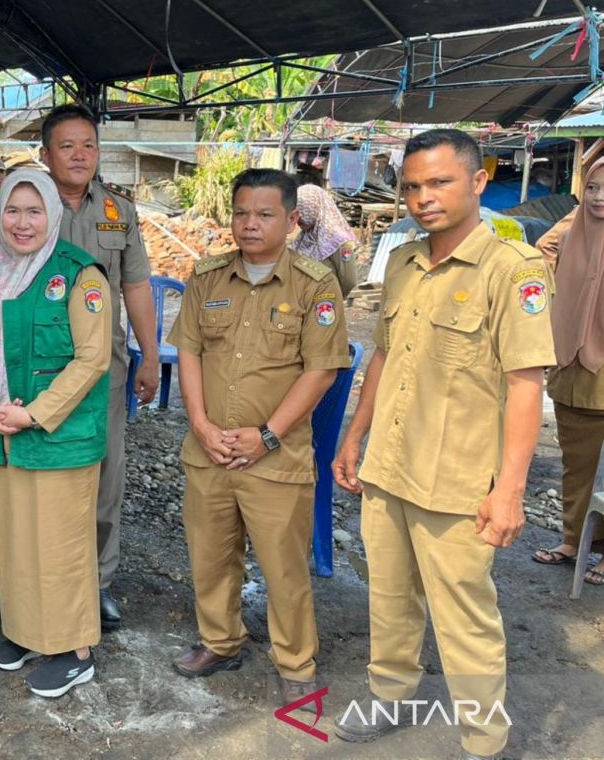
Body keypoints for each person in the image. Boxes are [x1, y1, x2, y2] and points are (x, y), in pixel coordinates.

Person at [332, 129, 554, 760]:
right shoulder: (401, 261)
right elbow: (382, 356)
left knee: (464, 618)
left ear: (479, 181)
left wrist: (509, 492)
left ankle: (484, 739)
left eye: (439, 182)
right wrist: (355, 438)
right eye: (411, 186)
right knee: (390, 597)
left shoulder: (513, 271)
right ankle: (389, 694)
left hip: (457, 481)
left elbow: (525, 386)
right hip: (390, 467)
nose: (422, 198)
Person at [166, 169, 349, 705]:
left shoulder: (315, 284)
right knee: (210, 553)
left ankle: (295, 659)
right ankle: (221, 641)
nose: (250, 224)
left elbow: (321, 371)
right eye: (241, 212)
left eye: (264, 214)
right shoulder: (206, 277)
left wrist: (268, 436)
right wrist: (199, 425)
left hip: (276, 457)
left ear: (291, 221)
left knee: (282, 564)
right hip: (210, 450)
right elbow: (191, 352)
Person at [0, 169, 111, 697]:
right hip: (4, 431)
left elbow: (92, 359)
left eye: (34, 211)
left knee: (62, 544)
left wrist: (35, 413)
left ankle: (75, 649)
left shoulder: (78, 275)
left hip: (59, 436)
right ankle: (28, 632)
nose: (22, 223)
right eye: (12, 211)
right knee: (19, 541)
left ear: (53, 215)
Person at [40, 103, 159, 630]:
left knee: (106, 472)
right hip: (40, 368)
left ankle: (98, 581)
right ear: (45, 155)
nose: (80, 155)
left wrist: (149, 355)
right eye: (67, 146)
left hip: (104, 370)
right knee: (43, 472)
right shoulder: (28, 206)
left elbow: (134, 286)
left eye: (88, 145)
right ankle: (45, 582)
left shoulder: (118, 211)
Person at [534, 158, 604, 584]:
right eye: (593, 188)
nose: (599, 198)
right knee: (575, 463)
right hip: (573, 366)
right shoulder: (573, 224)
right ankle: (575, 540)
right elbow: (541, 252)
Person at [291, 183, 359, 296]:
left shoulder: (339, 241)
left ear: (315, 207)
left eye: (303, 210)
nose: (298, 218)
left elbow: (349, 281)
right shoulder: (304, 238)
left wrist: (331, 300)